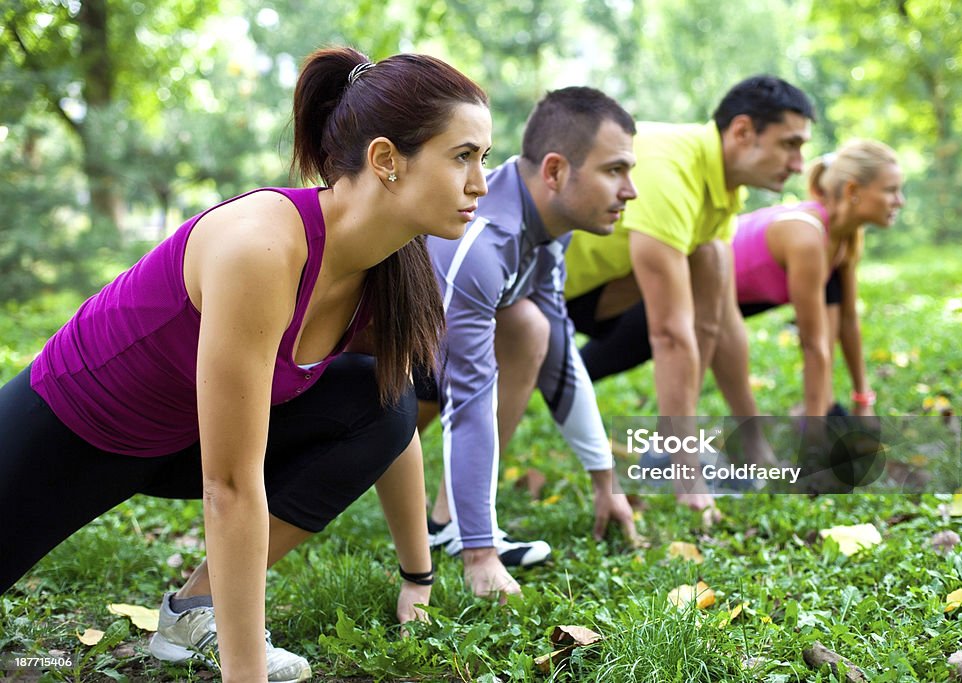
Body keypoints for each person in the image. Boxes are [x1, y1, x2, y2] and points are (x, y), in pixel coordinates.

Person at [0, 46, 491, 682]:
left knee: (380, 398)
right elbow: (229, 489)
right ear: (386, 160)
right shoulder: (261, 246)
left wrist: (418, 579)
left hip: (182, 438)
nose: (481, 182)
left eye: (483, 158)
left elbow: (390, 416)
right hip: (72, 432)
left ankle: (194, 611)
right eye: (463, 157)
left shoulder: (390, 265)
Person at [415, 87, 640, 599]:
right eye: (614, 171)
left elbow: (558, 348)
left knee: (533, 324)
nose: (630, 191)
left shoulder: (550, 227)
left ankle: (448, 520)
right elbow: (468, 402)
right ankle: (465, 533)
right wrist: (482, 555)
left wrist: (605, 479)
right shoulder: (484, 241)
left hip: (433, 360)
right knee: (525, 327)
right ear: (556, 172)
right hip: (367, 369)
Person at [562, 76, 816, 510]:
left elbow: (723, 319)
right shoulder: (671, 168)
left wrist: (752, 439)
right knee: (430, 394)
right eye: (789, 144)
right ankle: (677, 461)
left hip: (594, 293)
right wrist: (690, 482)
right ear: (742, 132)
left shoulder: (721, 189)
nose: (798, 163)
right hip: (530, 292)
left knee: (715, 262)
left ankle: (678, 446)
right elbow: (669, 334)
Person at [733, 139, 904, 417]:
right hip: (690, 289)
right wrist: (816, 438)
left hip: (746, 296)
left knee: (832, 288)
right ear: (853, 190)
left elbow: (848, 319)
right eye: (891, 191)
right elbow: (812, 343)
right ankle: (814, 418)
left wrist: (863, 400)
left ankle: (821, 407)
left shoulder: (845, 237)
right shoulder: (807, 237)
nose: (900, 201)